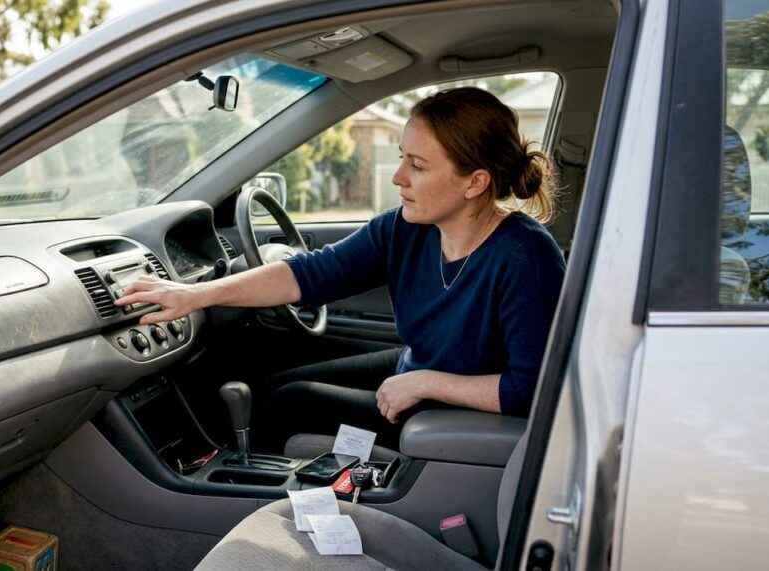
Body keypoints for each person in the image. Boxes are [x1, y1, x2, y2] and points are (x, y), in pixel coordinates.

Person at [114, 87, 566, 451]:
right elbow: (308, 274)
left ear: (475, 182)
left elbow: (529, 390)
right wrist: (196, 295)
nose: (398, 177)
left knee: (290, 402)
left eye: (418, 166)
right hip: (420, 371)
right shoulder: (407, 230)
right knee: (278, 381)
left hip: (449, 412)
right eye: (403, 158)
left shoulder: (526, 258)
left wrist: (425, 383)